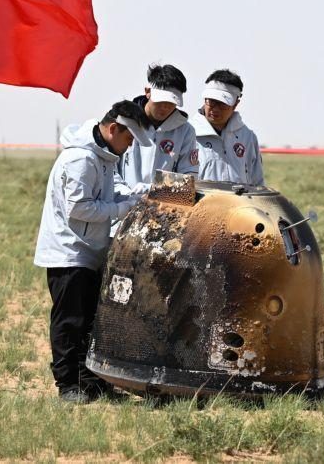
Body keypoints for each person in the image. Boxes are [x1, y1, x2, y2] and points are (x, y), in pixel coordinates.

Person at [34, 100, 152, 403]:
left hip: (88, 251)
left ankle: (92, 384)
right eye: (128, 139)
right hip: (69, 252)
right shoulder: (81, 160)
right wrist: (122, 208)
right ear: (113, 129)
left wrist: (138, 193)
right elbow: (80, 208)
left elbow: (108, 194)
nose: (129, 147)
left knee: (90, 320)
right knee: (70, 321)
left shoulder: (103, 157)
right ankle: (67, 385)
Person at [115, 63, 198, 197]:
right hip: (121, 204)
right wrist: (123, 192)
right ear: (148, 92)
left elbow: (189, 181)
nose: (165, 107)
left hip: (163, 210)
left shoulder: (186, 131)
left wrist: (154, 189)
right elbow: (108, 169)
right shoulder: (123, 120)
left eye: (171, 103)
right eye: (160, 101)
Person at [189, 69, 264, 186]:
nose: (215, 109)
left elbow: (257, 182)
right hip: (201, 204)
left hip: (239, 203)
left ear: (235, 103)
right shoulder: (187, 134)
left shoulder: (247, 137)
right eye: (211, 101)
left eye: (223, 104)